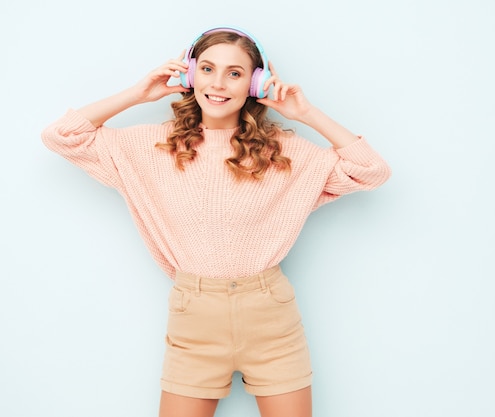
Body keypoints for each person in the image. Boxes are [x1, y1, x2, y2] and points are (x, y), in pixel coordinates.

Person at [42, 26, 391, 417]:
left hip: (270, 317)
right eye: (207, 69)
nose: (219, 83)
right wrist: (137, 94)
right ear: (190, 76)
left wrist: (306, 113)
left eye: (236, 73)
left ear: (255, 84)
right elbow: (62, 136)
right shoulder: (152, 147)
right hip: (195, 318)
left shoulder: (283, 153)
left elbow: (371, 170)